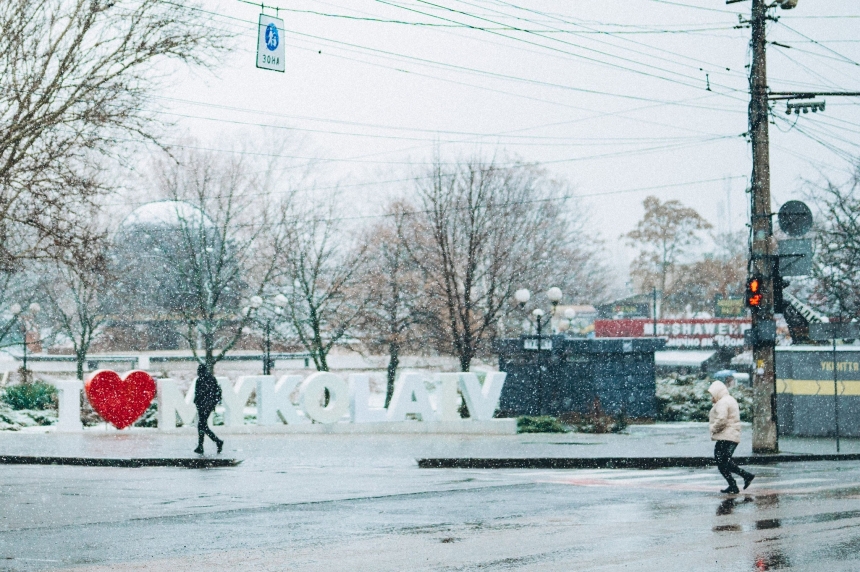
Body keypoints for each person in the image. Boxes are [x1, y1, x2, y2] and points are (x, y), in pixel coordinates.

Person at [708, 380, 754, 494]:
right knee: (724, 461)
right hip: (731, 435)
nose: (711, 398)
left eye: (712, 395)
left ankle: (739, 480)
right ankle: (737, 482)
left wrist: (713, 428)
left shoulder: (723, 402)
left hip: (726, 436)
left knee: (722, 461)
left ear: (717, 392)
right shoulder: (730, 399)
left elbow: (722, 419)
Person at [193, 363, 224, 454]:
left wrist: (197, 402)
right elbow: (215, 392)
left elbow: (198, 393)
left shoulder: (200, 380)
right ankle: (202, 445)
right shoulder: (212, 379)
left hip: (202, 406)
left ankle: (217, 442)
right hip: (209, 406)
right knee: (202, 425)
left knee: (202, 425)